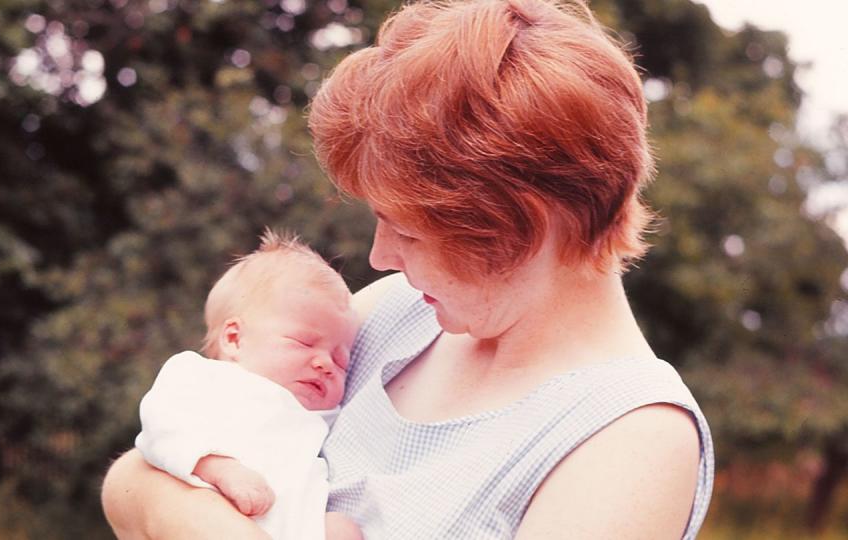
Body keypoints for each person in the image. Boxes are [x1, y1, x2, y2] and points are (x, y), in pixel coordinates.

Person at [101, 0, 715, 538]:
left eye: (409, 230)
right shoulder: (395, 313)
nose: (380, 257)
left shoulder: (632, 441)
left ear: (524, 222)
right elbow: (139, 470)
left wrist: (172, 509)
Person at [128, 230, 362, 540]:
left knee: (342, 529)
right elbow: (160, 429)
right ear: (234, 339)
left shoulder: (326, 414)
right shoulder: (201, 377)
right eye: (303, 342)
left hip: (293, 525)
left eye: (341, 360)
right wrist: (218, 468)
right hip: (212, 515)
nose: (326, 364)